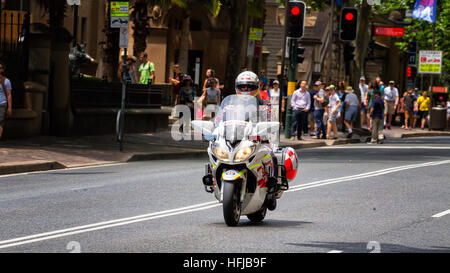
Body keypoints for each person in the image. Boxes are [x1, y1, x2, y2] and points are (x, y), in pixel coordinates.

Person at [0, 62, 12, 139]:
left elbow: (9, 95)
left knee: (0, 122)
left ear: (2, 70)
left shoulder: (6, 81)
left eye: (0, 68)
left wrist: (9, 107)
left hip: (2, 103)